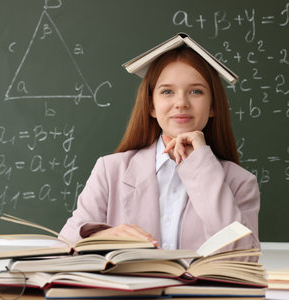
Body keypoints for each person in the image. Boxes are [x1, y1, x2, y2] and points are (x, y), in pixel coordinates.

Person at [58, 36, 260, 260]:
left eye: (196, 91)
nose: (181, 102)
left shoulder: (241, 182)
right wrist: (105, 238)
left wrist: (201, 165)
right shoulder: (110, 170)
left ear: (213, 106)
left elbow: (244, 259)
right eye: (167, 92)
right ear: (151, 106)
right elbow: (64, 247)